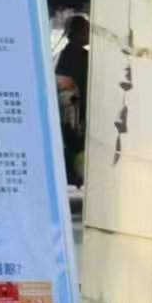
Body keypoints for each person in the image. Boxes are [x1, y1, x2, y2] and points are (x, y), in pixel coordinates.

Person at [56, 14, 90, 186]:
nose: (89, 34)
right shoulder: (73, 55)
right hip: (73, 111)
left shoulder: (68, 54)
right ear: (78, 33)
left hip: (76, 110)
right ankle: (74, 176)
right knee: (74, 145)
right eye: (86, 31)